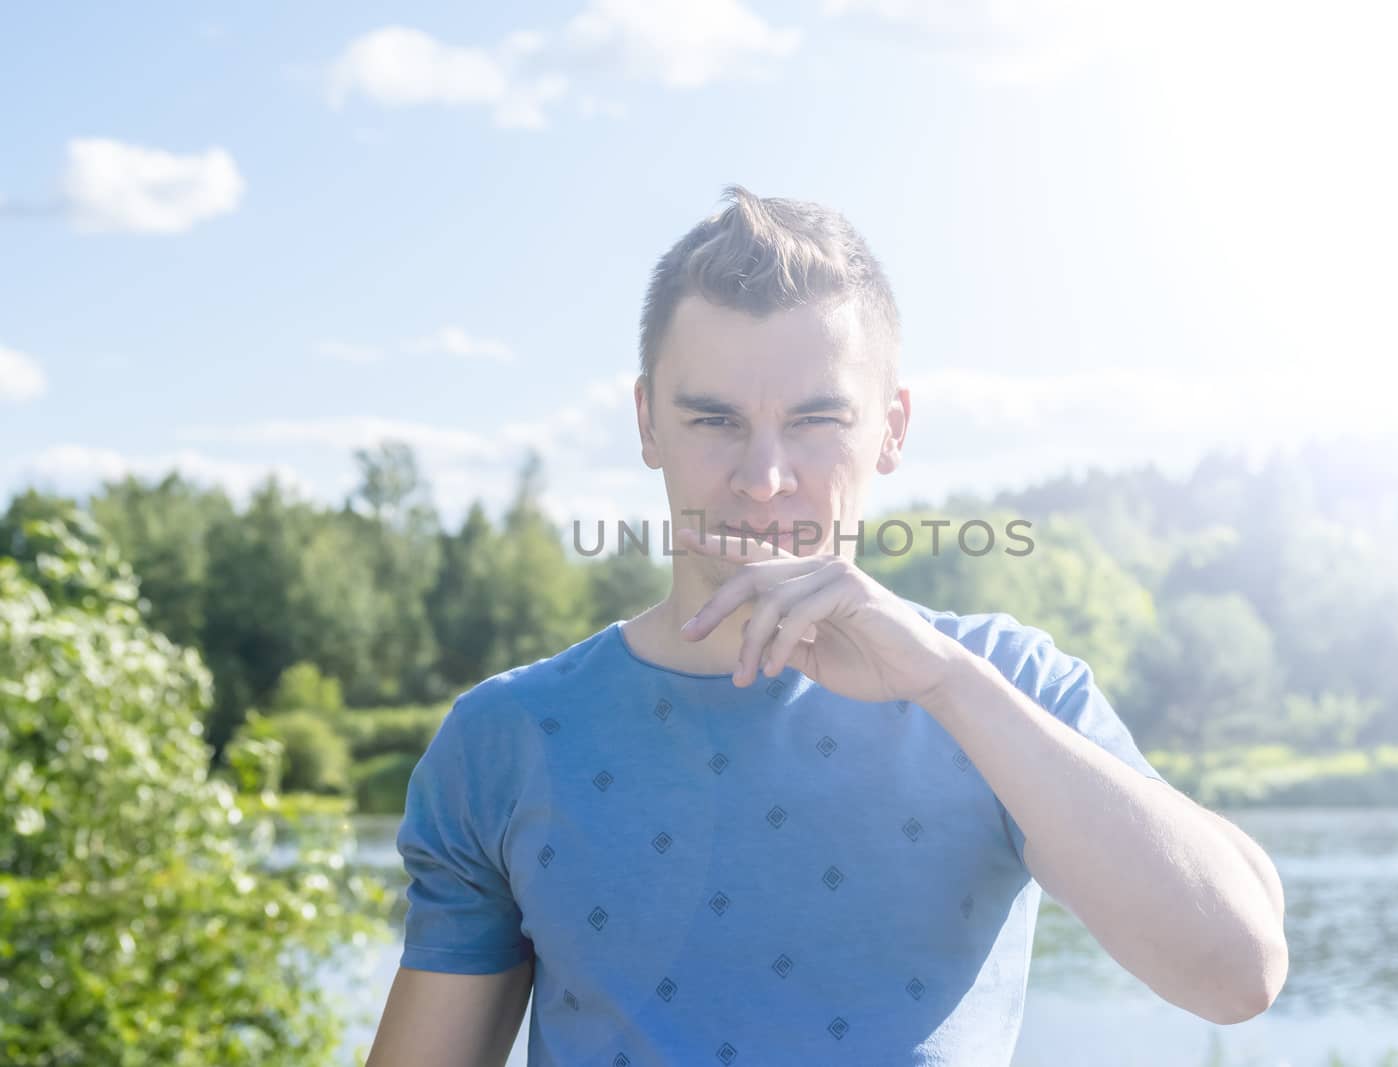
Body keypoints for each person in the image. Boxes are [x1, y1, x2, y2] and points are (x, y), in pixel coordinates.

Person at [367, 185, 1287, 1067]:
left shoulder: (1003, 681)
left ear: (890, 428)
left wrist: (947, 685)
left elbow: (1238, 971)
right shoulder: (505, 736)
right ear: (647, 422)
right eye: (714, 419)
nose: (765, 477)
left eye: (816, 420)